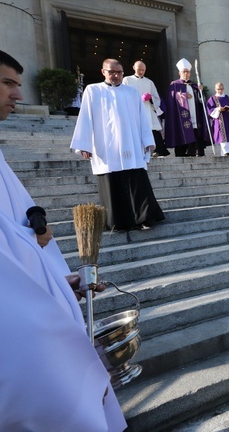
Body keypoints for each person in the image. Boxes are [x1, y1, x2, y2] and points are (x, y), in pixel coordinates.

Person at [0, 50, 127, 431]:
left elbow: (20, 241)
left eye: (18, 86)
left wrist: (57, 283)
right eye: (7, 83)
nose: (18, 96)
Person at [71, 58, 165, 231]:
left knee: (137, 180)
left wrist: (148, 141)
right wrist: (83, 144)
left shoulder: (132, 92)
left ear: (123, 73)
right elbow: (85, 117)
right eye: (111, 72)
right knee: (111, 182)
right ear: (103, 72)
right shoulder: (93, 90)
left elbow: (143, 118)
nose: (115, 75)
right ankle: (118, 222)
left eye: (119, 72)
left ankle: (144, 217)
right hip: (106, 146)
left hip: (131, 142)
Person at [122, 60, 170, 157]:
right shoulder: (127, 80)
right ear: (134, 68)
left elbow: (157, 97)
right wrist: (137, 99)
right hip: (133, 110)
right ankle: (137, 151)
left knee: (153, 129)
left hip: (147, 109)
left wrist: (151, 98)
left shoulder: (149, 82)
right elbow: (123, 95)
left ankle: (158, 150)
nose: (141, 72)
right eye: (139, 69)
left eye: (143, 70)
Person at [162, 58, 206, 157]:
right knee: (181, 131)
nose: (186, 73)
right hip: (180, 115)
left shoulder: (194, 85)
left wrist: (200, 91)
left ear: (190, 73)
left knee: (194, 131)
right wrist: (183, 96)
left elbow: (201, 101)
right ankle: (181, 152)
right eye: (183, 71)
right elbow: (171, 99)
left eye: (187, 72)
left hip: (194, 113)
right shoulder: (174, 85)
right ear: (179, 73)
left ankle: (194, 151)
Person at [206, 82, 229, 157]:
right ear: (215, 89)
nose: (220, 91)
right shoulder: (212, 99)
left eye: (221, 89)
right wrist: (218, 109)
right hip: (219, 121)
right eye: (218, 89)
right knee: (222, 136)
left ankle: (228, 153)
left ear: (223, 88)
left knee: (228, 136)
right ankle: (226, 152)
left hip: (228, 121)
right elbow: (209, 110)